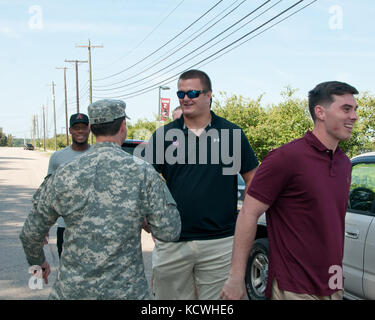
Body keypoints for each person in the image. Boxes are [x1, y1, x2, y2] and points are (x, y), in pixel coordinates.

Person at [20, 99, 181, 299]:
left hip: (73, 292)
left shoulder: (64, 173)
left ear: (92, 129)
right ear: (123, 126)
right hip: (127, 292)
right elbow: (170, 230)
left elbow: (30, 234)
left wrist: (38, 262)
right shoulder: (143, 173)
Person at [220, 81, 359, 300]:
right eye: (346, 109)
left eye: (355, 109)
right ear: (320, 112)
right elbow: (248, 213)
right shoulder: (286, 157)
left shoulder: (344, 162)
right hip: (294, 286)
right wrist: (236, 277)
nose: (354, 116)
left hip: (333, 283)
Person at [147, 69, 259, 300]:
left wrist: (245, 217)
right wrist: (147, 219)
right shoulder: (164, 136)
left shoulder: (231, 134)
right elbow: (143, 181)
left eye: (193, 93)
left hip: (220, 242)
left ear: (209, 95)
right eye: (181, 93)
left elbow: (253, 178)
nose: (186, 98)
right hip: (173, 242)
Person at [47, 113, 91, 258]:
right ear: (70, 130)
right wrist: (44, 226)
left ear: (89, 129)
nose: (80, 131)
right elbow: (49, 192)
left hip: (93, 227)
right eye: (76, 127)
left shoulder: (97, 155)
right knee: (66, 273)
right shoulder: (57, 158)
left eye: (83, 127)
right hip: (65, 226)